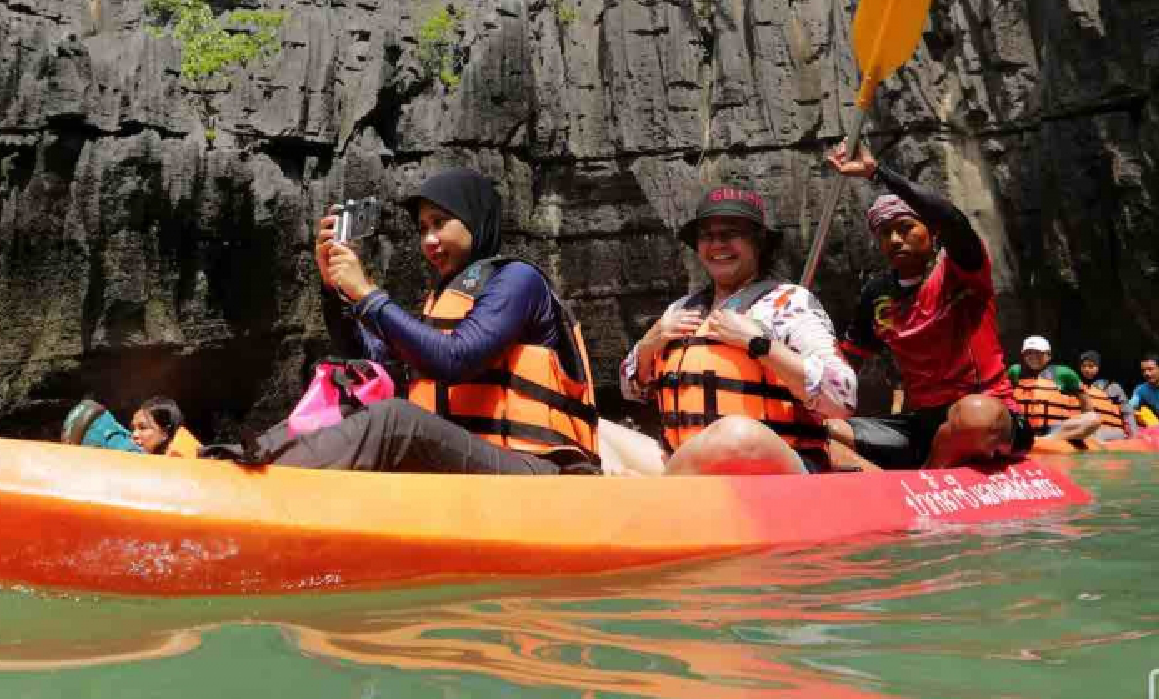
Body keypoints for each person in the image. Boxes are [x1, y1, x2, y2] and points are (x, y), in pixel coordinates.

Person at [243, 166, 601, 475]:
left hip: (539, 470)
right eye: (423, 228)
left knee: (395, 420)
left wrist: (367, 293)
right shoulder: (442, 299)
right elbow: (373, 358)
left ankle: (268, 476)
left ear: (474, 219)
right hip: (467, 461)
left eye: (440, 223)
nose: (429, 240)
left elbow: (456, 359)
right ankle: (247, 460)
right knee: (346, 390)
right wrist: (335, 290)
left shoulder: (519, 280)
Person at [616, 187, 859, 475]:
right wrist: (648, 345)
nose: (717, 244)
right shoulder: (681, 309)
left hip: (769, 467)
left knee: (735, 434)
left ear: (758, 243)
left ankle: (662, 492)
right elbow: (631, 391)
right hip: (682, 462)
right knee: (598, 433)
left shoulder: (789, 303)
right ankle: (673, 486)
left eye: (731, 234)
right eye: (707, 236)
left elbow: (843, 397)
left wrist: (759, 344)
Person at [821, 144, 1032, 469]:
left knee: (973, 416)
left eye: (906, 228)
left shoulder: (961, 267)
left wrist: (878, 173)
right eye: (885, 233)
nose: (894, 239)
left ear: (932, 232)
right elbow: (847, 362)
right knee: (823, 431)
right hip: (921, 424)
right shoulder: (876, 294)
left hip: (987, 415)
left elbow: (951, 219)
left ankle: (929, 472)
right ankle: (891, 480)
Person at [1008, 336, 1125, 443]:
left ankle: (1047, 440)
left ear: (1048, 356)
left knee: (1093, 419)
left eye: (1038, 353)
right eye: (1029, 353)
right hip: (1022, 427)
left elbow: (1085, 400)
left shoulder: (1064, 373)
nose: (1033, 357)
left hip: (1053, 428)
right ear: (1023, 355)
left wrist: (1088, 427)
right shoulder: (1014, 371)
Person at [130, 397, 202, 458]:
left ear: (166, 432)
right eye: (133, 428)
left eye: (143, 428)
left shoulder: (179, 458)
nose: (134, 435)